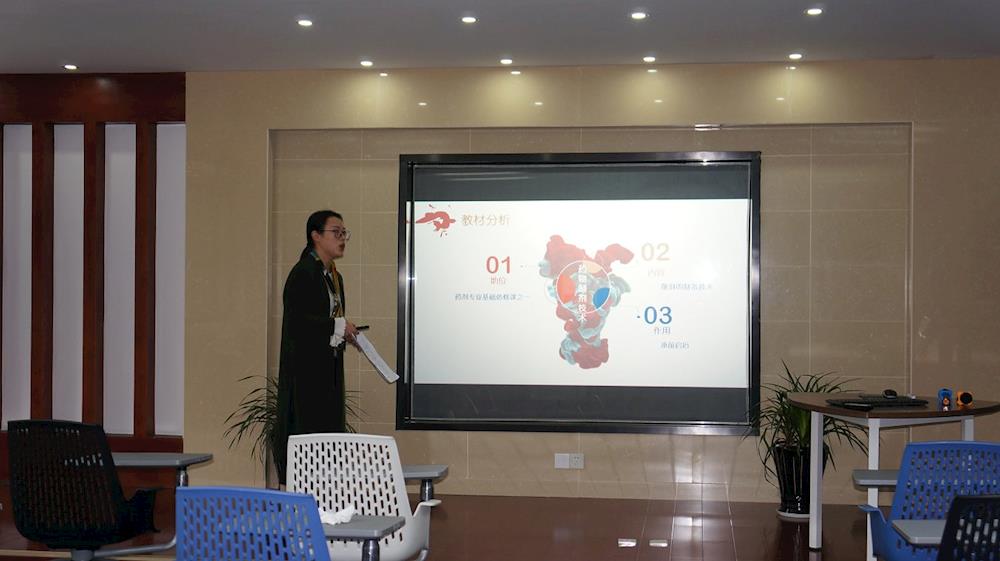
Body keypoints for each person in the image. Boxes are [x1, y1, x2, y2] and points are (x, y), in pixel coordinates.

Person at [274, 210, 360, 484]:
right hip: (306, 377)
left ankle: (326, 497)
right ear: (316, 236)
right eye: (336, 232)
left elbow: (329, 319)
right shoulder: (303, 273)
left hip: (328, 372)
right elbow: (298, 322)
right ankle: (302, 500)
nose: (342, 238)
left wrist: (343, 331)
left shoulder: (334, 276)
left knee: (329, 445)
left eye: (344, 233)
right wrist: (337, 326)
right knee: (307, 441)